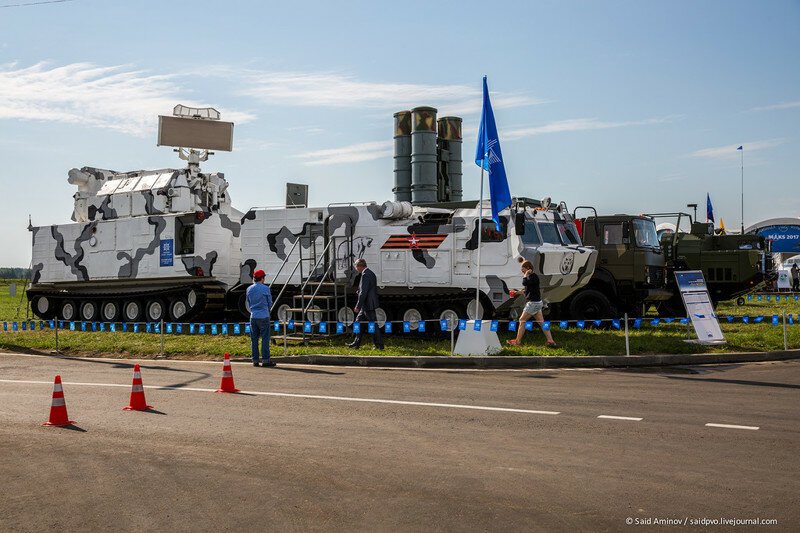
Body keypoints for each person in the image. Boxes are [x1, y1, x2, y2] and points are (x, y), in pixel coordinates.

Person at [507, 260, 556, 347]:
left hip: (533, 303)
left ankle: (517, 342)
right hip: (537, 303)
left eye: (523, 268)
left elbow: (524, 282)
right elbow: (527, 291)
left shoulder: (533, 277)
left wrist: (525, 275)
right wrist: (516, 293)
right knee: (541, 323)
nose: (521, 270)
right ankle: (550, 341)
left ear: (528, 269)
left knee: (522, 320)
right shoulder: (531, 277)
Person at [347, 258, 384, 350]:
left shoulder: (365, 275)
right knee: (358, 323)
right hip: (367, 304)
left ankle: (379, 345)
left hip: (367, 304)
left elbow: (364, 292)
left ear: (360, 266)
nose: (355, 268)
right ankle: (356, 342)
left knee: (373, 325)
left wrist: (357, 306)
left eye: (356, 266)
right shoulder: (370, 273)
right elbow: (366, 289)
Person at [247, 268, 275, 367]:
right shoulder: (266, 289)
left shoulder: (249, 289)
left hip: (253, 316)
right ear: (262, 278)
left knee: (254, 339)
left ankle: (255, 360)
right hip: (264, 316)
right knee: (265, 339)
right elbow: (269, 303)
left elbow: (249, 302)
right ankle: (266, 360)